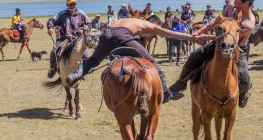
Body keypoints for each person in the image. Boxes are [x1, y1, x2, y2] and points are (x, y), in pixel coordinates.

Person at [66, 17, 196, 103]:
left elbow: (140, 34)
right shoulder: (149, 24)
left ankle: (74, 75)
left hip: (106, 33)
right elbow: (170, 34)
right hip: (121, 34)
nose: (154, 34)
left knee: (93, 60)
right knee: (153, 63)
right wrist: (191, 37)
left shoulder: (128, 20)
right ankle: (166, 93)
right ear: (154, 23)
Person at [169, 0, 256, 108]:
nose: (234, 2)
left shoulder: (248, 23)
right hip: (219, 43)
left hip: (237, 49)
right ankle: (181, 82)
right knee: (195, 55)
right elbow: (215, 21)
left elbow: (229, 40)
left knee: (244, 76)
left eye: (237, 0)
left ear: (246, 3)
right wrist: (199, 32)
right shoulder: (232, 7)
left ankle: (243, 93)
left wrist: (205, 37)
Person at [47, 0, 91, 79]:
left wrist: (83, 29)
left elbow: (89, 24)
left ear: (75, 4)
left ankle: (85, 70)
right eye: (70, 4)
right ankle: (52, 69)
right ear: (67, 5)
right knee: (54, 52)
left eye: (73, 4)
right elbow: (51, 20)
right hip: (63, 38)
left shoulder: (82, 13)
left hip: (78, 39)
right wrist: (50, 28)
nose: (72, 6)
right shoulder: (61, 14)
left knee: (86, 55)